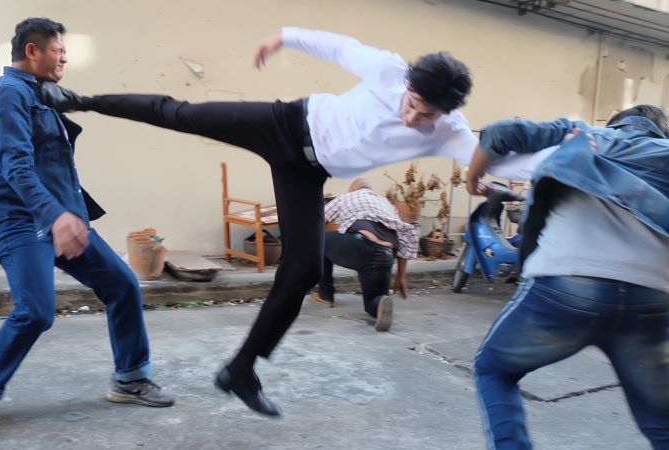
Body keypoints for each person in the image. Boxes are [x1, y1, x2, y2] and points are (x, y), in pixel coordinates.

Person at [41, 26, 541, 417]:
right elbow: (339, 47)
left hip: (307, 172)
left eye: (426, 116)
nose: (413, 119)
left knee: (302, 270)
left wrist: (564, 157)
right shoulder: (389, 70)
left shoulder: (450, 130)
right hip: (284, 124)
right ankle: (82, 101)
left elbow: (507, 160)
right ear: (408, 84)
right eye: (412, 105)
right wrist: (283, 37)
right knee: (181, 113)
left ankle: (241, 369)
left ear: (445, 113)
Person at [0, 18, 175, 441]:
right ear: (32, 51)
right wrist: (55, 216)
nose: (65, 58)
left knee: (122, 285)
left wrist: (66, 214)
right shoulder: (8, 94)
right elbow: (16, 166)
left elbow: (65, 127)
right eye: (58, 50)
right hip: (19, 220)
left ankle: (130, 378)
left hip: (61, 218)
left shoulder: (40, 94)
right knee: (36, 311)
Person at [466, 105, 669, 449]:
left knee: (494, 368)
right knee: (662, 423)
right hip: (652, 296)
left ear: (616, 123)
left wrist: (472, 179)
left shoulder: (584, 132)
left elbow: (501, 134)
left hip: (566, 282)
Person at [310, 178, 418, 332]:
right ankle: (380, 303)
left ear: (353, 190)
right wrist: (401, 276)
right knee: (372, 302)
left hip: (361, 245)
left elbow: (318, 219)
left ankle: (325, 296)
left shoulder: (347, 197)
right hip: (386, 254)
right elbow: (403, 239)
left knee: (319, 241)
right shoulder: (387, 204)